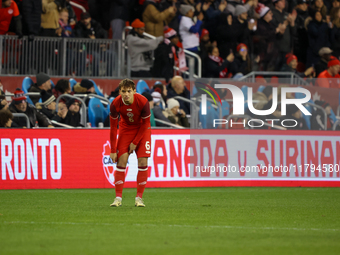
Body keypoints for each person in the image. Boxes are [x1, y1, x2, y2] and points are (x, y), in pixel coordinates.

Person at [109, 79, 151, 207]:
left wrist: (135, 142)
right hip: (126, 130)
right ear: (120, 92)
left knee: (143, 162)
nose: (126, 94)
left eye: (129, 91)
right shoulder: (115, 104)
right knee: (121, 161)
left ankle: (139, 198)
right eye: (123, 91)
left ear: (134, 91)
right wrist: (112, 150)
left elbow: (145, 124)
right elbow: (113, 128)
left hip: (142, 131)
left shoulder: (143, 102)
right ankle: (118, 199)